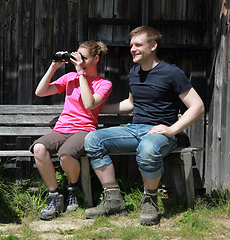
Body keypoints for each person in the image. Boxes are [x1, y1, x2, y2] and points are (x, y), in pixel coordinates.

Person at [84, 26, 205, 225]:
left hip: (160, 134)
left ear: (153, 46)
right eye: (131, 45)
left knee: (147, 149)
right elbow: (130, 104)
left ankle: (150, 198)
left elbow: (198, 106)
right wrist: (99, 109)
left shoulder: (172, 73)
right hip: (135, 129)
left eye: (138, 44)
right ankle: (113, 199)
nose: (133, 49)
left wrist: (172, 129)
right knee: (93, 139)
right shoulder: (135, 72)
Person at [30, 40, 113, 220]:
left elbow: (89, 104)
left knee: (66, 154)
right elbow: (40, 92)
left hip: (84, 129)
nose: (78, 60)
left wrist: (81, 74)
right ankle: (55, 196)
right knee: (39, 148)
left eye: (83, 57)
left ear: (96, 59)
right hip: (62, 128)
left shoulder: (103, 84)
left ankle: (72, 189)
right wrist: (54, 66)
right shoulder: (69, 79)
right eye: (77, 55)